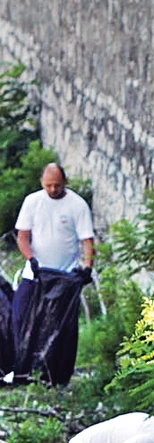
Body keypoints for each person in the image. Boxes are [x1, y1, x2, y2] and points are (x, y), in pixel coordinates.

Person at [12, 162, 95, 385]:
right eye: (48, 185)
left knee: (61, 328)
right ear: (42, 183)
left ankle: (55, 376)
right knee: (21, 317)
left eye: (57, 185)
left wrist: (87, 267)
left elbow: (87, 240)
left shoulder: (77, 205)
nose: (52, 190)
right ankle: (21, 369)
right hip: (37, 274)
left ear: (64, 183)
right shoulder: (33, 202)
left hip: (64, 277)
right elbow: (22, 236)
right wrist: (31, 259)